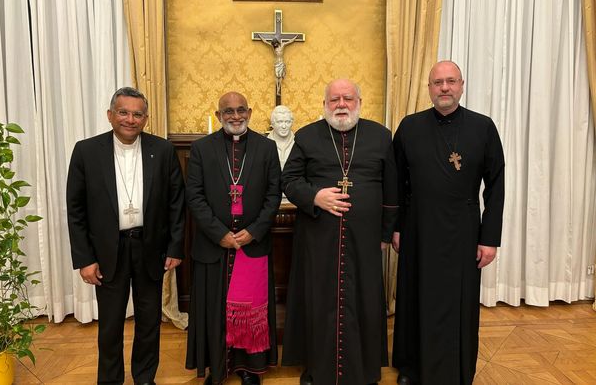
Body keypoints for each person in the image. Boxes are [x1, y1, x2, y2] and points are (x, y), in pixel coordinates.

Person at [391, 61, 505, 385]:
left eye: (450, 81)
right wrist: (397, 226)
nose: (444, 87)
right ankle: (411, 367)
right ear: (429, 88)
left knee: (459, 302)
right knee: (416, 296)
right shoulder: (409, 127)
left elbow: (496, 185)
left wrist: (490, 237)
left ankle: (458, 368)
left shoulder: (483, 127)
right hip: (418, 228)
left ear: (462, 85)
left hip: (464, 231)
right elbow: (398, 183)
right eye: (438, 82)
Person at [281, 78, 398, 385]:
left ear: (359, 102)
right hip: (318, 237)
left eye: (347, 98)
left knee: (364, 300)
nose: (341, 105)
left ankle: (367, 368)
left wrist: (386, 234)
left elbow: (393, 189)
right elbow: (289, 181)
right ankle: (315, 367)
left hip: (366, 238)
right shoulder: (306, 136)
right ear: (325, 105)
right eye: (334, 100)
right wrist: (314, 196)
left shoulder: (381, 136)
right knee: (318, 302)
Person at [66, 87, 185, 385]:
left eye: (137, 114)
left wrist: (175, 247)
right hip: (108, 251)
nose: (130, 119)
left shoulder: (164, 150)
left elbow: (176, 204)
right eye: (123, 112)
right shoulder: (86, 151)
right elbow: (75, 209)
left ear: (145, 118)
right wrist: (85, 259)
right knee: (110, 325)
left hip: (151, 248)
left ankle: (145, 378)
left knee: (148, 322)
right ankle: (110, 381)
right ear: (110, 115)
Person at [185, 92, 282, 385]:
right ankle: (218, 366)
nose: (235, 116)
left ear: (250, 113)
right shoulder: (202, 149)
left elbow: (273, 194)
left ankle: (250, 368)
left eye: (241, 110)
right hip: (214, 246)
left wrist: (253, 231)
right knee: (215, 309)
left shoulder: (266, 148)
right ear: (218, 115)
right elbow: (195, 196)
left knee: (251, 309)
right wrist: (219, 233)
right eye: (228, 111)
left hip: (252, 244)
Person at [267, 104, 295, 169]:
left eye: (287, 122)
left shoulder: (298, 143)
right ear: (272, 124)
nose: (284, 126)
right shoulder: (265, 145)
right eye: (280, 122)